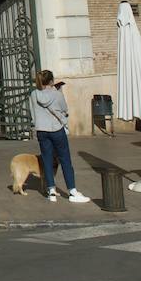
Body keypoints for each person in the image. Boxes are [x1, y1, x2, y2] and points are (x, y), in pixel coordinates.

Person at [30, 70, 89, 204]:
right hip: (56, 130)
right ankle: (72, 191)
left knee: (47, 160)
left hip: (41, 130)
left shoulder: (34, 94)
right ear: (51, 81)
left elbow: (33, 113)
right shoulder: (57, 94)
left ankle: (51, 191)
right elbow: (64, 109)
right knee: (65, 160)